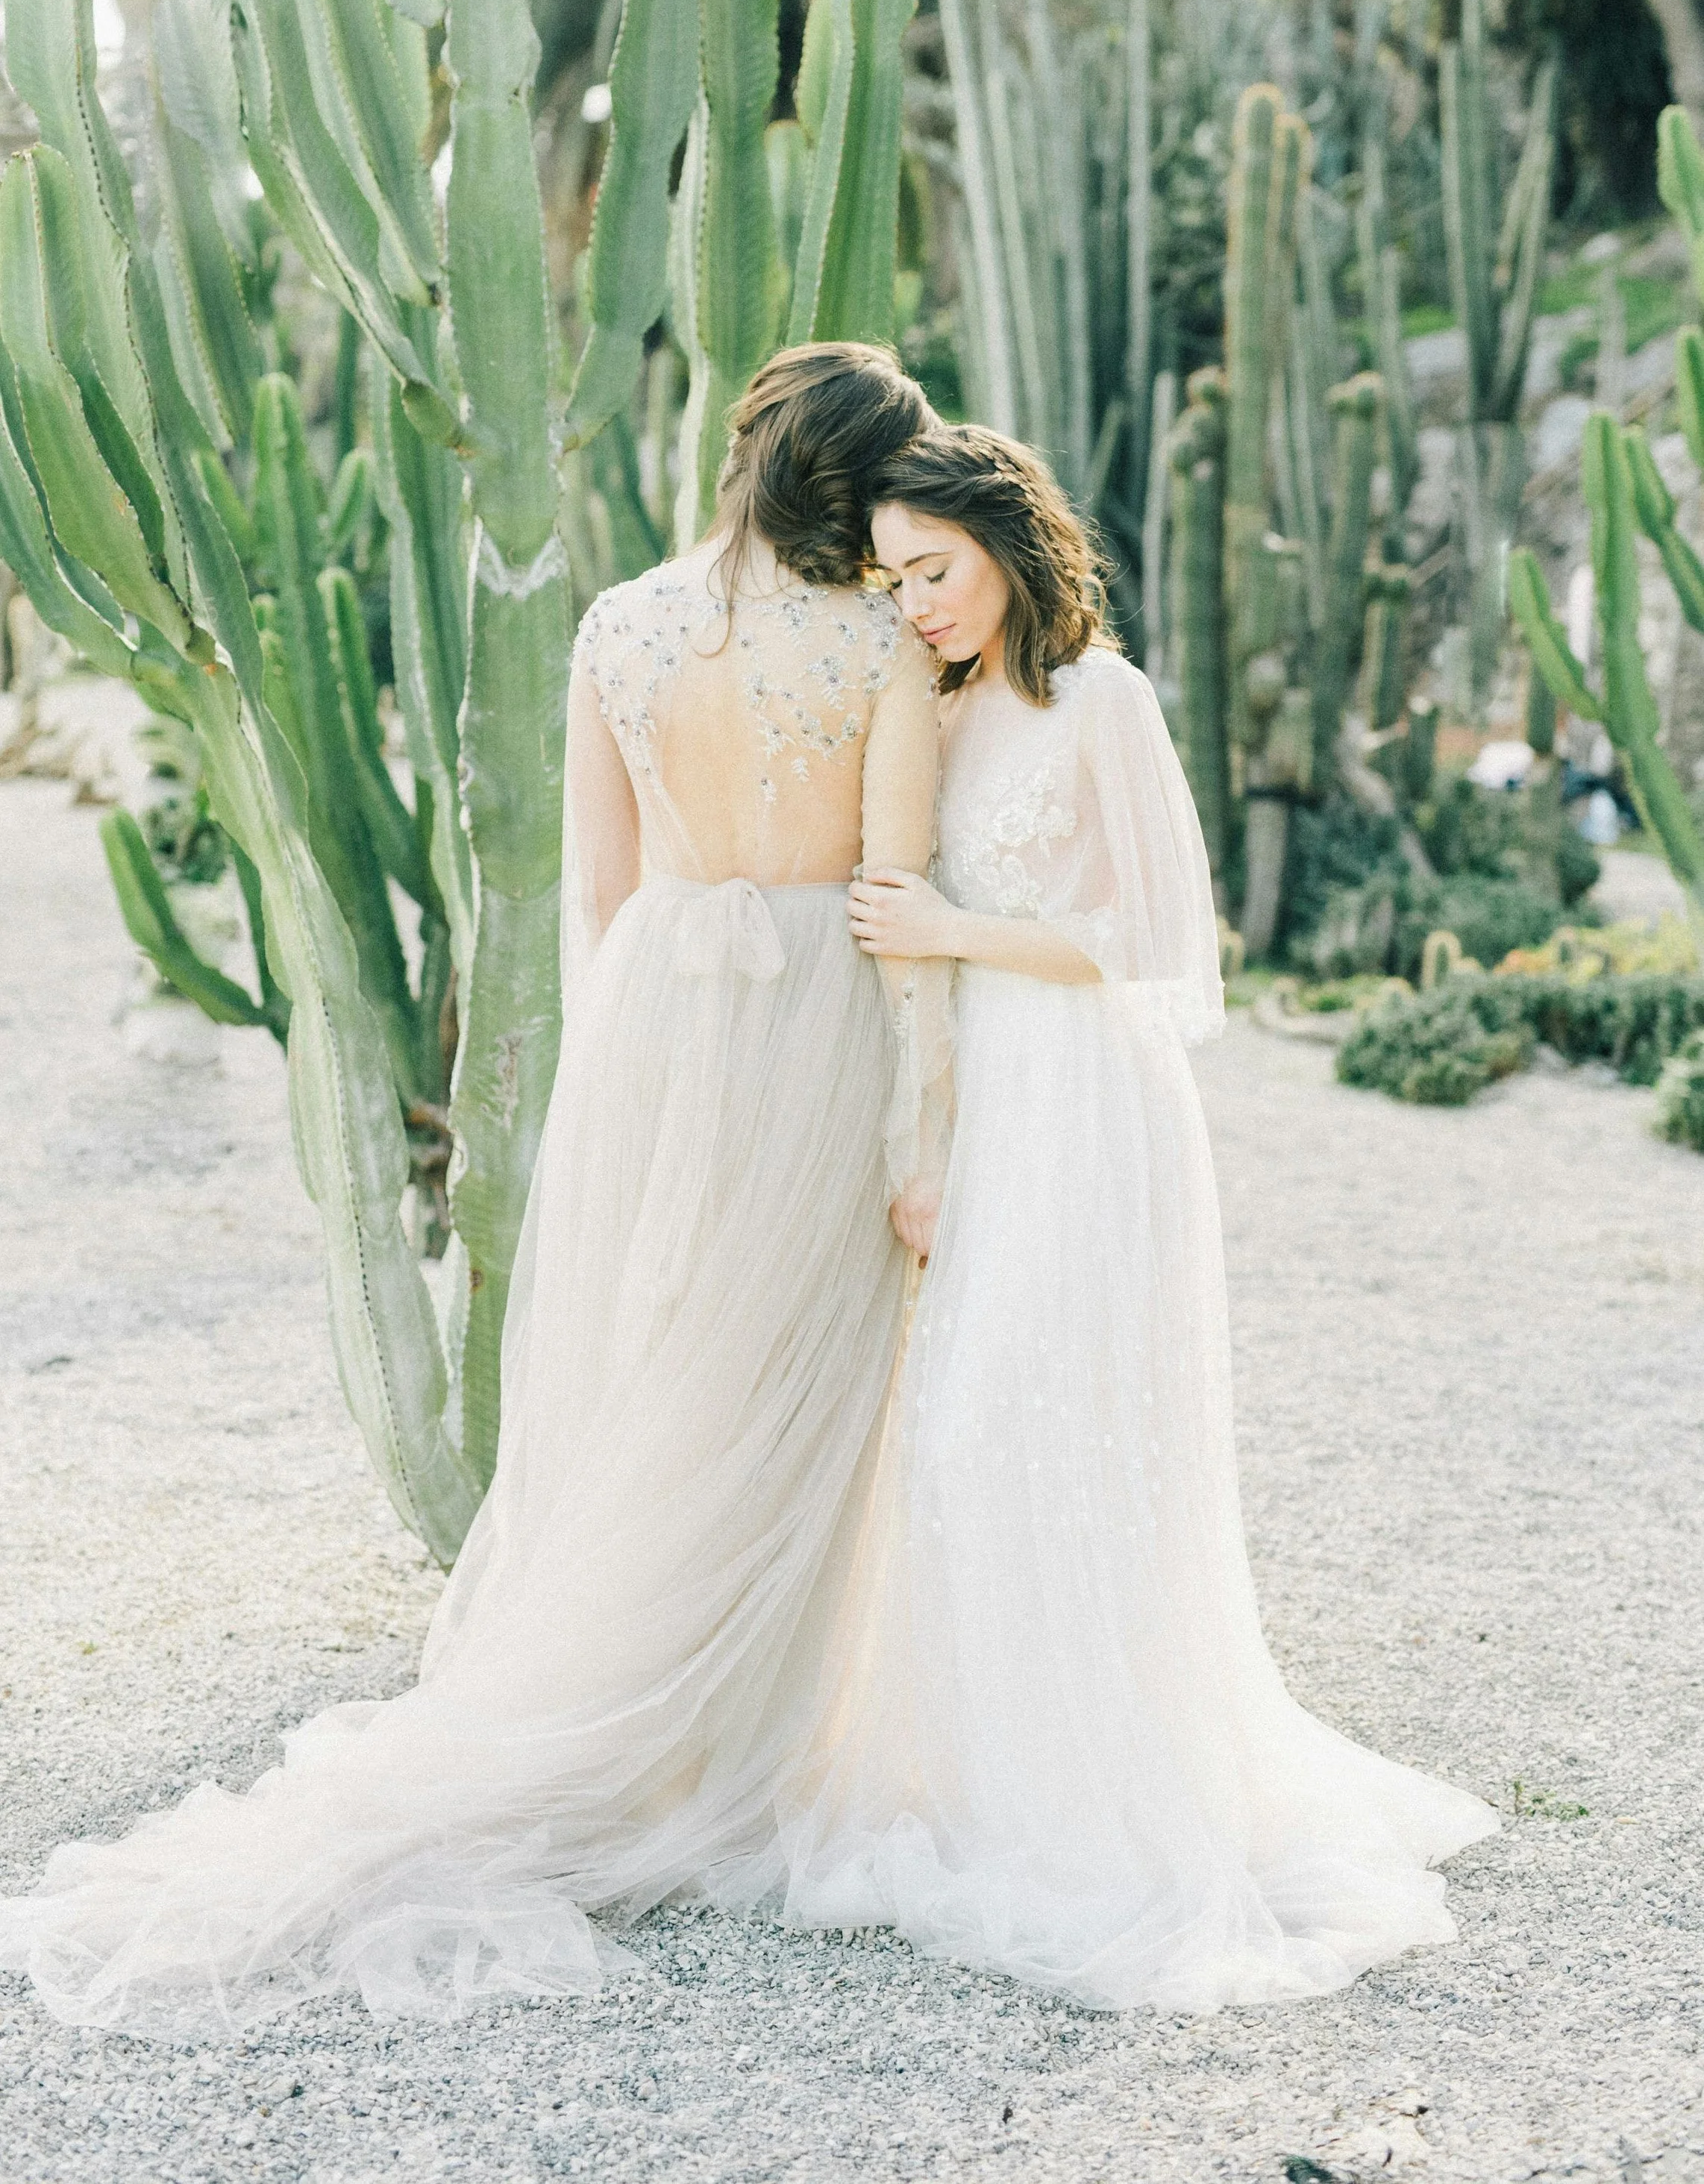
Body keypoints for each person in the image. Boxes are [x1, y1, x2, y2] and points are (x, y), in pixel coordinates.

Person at [0, 342, 950, 2039]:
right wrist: (921, 1123)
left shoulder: (616, 624)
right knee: (800, 1366)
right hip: (815, 999)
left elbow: (593, 889)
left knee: (676, 1356)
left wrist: (621, 1079)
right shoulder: (883, 638)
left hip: (662, 1000)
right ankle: (744, 1728)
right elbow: (889, 889)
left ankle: (665, 1718)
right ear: (864, 480)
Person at [776, 421, 1497, 2013]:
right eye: (893, 579)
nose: (916, 605)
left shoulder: (1102, 702)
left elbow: (1155, 938)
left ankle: (1109, 1790)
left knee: (1058, 1420)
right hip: (990, 1100)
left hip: (1091, 1098)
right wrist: (924, 1130)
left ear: (1008, 547)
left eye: (936, 570)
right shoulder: (939, 712)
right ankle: (1000, 1776)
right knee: (969, 1430)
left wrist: (957, 926)